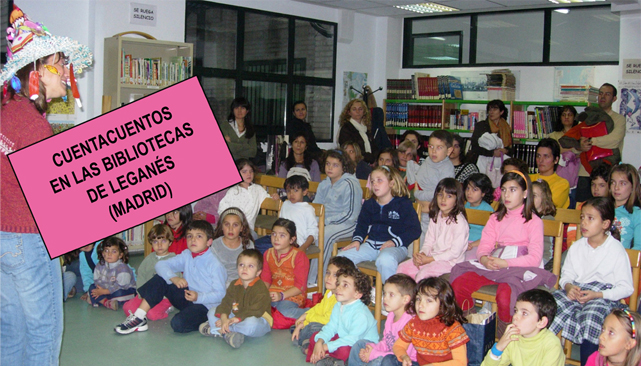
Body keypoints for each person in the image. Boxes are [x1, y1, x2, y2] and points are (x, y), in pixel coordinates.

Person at [1, 6, 92, 364]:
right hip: (27, 238)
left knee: (10, 327)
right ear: (39, 70)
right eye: (61, 68)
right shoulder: (33, 123)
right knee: (44, 330)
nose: (68, 79)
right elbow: (50, 193)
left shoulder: (7, 112)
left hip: (4, 235)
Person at [451, 171, 552, 337]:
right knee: (460, 283)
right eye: (504, 190)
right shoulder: (495, 218)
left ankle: (504, 336)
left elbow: (534, 258)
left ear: (525, 193)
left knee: (506, 294)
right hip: (496, 262)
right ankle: (472, 330)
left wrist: (506, 263)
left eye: (513, 190)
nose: (507, 194)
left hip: (519, 265)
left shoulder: (534, 221)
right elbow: (484, 246)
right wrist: (483, 258)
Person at [549, 197, 634, 365]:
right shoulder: (577, 246)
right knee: (549, 306)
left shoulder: (616, 249)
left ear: (605, 224)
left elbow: (626, 288)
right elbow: (566, 275)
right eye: (582, 217)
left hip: (603, 296)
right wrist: (568, 286)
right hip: (578, 291)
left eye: (590, 218)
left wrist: (598, 294)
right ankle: (544, 358)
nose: (584, 223)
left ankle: (590, 362)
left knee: (591, 316)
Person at [114, 220, 227, 335]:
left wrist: (199, 297)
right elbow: (160, 265)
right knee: (162, 277)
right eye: (189, 236)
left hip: (206, 305)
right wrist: (173, 278)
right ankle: (139, 317)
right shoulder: (187, 254)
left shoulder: (215, 264)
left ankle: (207, 322)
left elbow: (221, 294)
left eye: (199, 236)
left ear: (209, 241)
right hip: (188, 297)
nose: (193, 240)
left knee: (177, 324)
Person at [339, 166, 421, 282]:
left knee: (385, 260)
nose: (375, 184)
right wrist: (357, 240)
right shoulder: (369, 204)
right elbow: (361, 225)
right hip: (371, 245)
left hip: (396, 247)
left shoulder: (403, 204)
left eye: (379, 180)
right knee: (341, 258)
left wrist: (395, 241)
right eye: (372, 181)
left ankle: (389, 294)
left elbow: (415, 229)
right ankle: (361, 289)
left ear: (391, 183)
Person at [382, 277, 469, 366]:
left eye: (429, 300)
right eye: (419, 299)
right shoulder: (414, 323)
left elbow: (461, 363)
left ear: (443, 304)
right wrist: (404, 356)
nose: (421, 305)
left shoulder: (453, 329)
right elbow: (398, 346)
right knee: (388, 360)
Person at [397, 178, 469, 281]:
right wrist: (422, 255)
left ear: (457, 199)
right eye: (440, 195)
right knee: (402, 269)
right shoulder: (436, 216)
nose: (443, 199)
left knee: (422, 275)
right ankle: (404, 297)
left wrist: (430, 259)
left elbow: (454, 252)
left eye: (449, 196)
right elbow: (429, 242)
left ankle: (417, 297)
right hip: (432, 257)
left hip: (451, 263)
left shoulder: (459, 222)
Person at [199, 249, 272, 348]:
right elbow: (226, 303)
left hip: (259, 319)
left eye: (250, 266)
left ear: (258, 272)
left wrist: (231, 321)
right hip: (236, 317)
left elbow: (256, 310)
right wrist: (224, 318)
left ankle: (219, 330)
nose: (245, 269)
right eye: (241, 265)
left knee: (251, 324)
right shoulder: (234, 284)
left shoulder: (261, 288)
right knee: (212, 311)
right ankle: (227, 334)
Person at [307, 267, 379, 365]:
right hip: (343, 338)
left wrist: (326, 346)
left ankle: (326, 356)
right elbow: (331, 327)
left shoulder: (361, 314)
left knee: (345, 351)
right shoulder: (338, 305)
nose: (338, 288)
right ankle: (325, 356)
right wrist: (320, 341)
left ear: (357, 294)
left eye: (345, 285)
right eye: (338, 284)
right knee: (315, 336)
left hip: (359, 345)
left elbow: (352, 339)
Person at [481, 289, 565, 366]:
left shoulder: (552, 345)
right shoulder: (513, 337)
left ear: (541, 322)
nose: (515, 317)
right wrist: (499, 347)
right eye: (516, 311)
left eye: (524, 313)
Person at [348, 274, 417, 366]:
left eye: (391, 295)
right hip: (389, 354)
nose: (385, 298)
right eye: (385, 293)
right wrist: (372, 348)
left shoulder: (410, 322)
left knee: (380, 361)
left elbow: (402, 355)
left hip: (405, 361)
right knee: (360, 344)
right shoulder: (391, 315)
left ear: (405, 299)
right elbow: (386, 342)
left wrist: (374, 354)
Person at [292, 257, 356, 353]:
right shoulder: (329, 292)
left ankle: (308, 345)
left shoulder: (340, 299)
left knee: (311, 327)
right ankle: (305, 338)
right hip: (326, 325)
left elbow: (327, 320)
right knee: (299, 325)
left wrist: (305, 322)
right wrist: (305, 315)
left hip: (336, 331)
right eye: (328, 273)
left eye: (335, 275)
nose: (328, 277)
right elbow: (320, 307)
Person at [313, 149, 363, 275]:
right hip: (325, 221)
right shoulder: (324, 184)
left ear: (343, 168)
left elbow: (351, 215)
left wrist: (324, 222)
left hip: (348, 224)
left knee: (325, 235)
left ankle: (318, 281)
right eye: (328, 164)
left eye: (335, 165)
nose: (330, 168)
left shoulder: (350, 184)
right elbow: (316, 207)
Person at [575, 83, 627, 203]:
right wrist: (580, 145)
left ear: (614, 99)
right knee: (581, 211)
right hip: (585, 173)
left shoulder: (619, 119)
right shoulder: (587, 118)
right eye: (601, 93)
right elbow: (575, 143)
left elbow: (614, 140)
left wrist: (591, 141)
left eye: (607, 94)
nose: (603, 97)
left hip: (607, 174)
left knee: (605, 211)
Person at [123, 224, 178, 321]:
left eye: (163, 241)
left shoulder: (174, 259)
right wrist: (141, 293)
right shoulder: (149, 258)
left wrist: (166, 297)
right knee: (128, 309)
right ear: (151, 243)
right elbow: (141, 275)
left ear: (170, 242)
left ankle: (166, 309)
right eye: (155, 241)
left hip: (164, 298)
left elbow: (176, 281)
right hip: (146, 294)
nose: (159, 245)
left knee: (152, 315)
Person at [261, 218, 310, 319]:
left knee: (284, 313)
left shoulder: (299, 256)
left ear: (292, 239)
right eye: (274, 234)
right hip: (272, 294)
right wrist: (263, 294)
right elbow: (265, 280)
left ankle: (313, 312)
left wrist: (282, 296)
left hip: (292, 295)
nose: (276, 239)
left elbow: (301, 286)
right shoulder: (268, 254)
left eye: (282, 235)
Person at [413, 130, 455, 241]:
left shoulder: (447, 168)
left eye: (439, 147)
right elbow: (417, 183)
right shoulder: (426, 162)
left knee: (430, 243)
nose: (433, 151)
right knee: (415, 243)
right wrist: (419, 198)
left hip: (436, 215)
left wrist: (419, 194)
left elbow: (440, 194)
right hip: (420, 210)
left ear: (449, 150)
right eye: (431, 146)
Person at [218, 159, 274, 235]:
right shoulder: (233, 191)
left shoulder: (258, 189)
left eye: (251, 171)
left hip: (248, 229)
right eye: (244, 172)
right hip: (232, 228)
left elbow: (269, 199)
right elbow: (222, 210)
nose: (249, 174)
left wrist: (274, 197)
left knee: (253, 236)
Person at [87, 237, 136, 310]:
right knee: (92, 287)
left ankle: (99, 299)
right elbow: (97, 279)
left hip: (122, 289)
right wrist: (100, 289)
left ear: (120, 255)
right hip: (106, 290)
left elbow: (122, 286)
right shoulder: (100, 265)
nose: (109, 254)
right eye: (106, 251)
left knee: (119, 293)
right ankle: (106, 302)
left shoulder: (123, 268)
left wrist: (104, 291)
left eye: (114, 252)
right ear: (103, 253)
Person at [210, 208, 254, 287]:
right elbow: (212, 272)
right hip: (220, 284)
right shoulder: (214, 245)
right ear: (221, 227)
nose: (230, 229)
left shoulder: (248, 245)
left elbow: (252, 270)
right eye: (227, 224)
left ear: (241, 228)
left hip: (243, 284)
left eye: (235, 225)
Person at [467, 100, 512, 165]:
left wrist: (506, 150)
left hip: (500, 162)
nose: (491, 112)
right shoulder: (481, 126)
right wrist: (492, 153)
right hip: (483, 161)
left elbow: (511, 148)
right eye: (490, 109)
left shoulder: (506, 127)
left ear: (501, 112)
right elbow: (474, 147)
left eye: (495, 109)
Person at [529, 138, 570, 209]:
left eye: (546, 156)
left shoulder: (562, 184)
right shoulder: (528, 178)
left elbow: (549, 207)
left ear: (556, 160)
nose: (540, 160)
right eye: (538, 156)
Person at [463, 173, 495, 260]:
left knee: (468, 260)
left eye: (475, 189)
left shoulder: (488, 211)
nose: (469, 192)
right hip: (463, 243)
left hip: (478, 244)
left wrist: (472, 245)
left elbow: (491, 236)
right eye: (468, 188)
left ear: (483, 193)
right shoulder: (464, 207)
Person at [609, 164, 641, 250]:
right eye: (613, 182)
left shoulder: (637, 214)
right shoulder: (601, 208)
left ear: (632, 187)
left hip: (620, 259)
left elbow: (639, 247)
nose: (616, 188)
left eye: (622, 183)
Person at [338, 99, 379, 164]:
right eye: (354, 109)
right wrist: (370, 159)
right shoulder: (346, 128)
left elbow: (374, 147)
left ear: (364, 111)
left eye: (360, 109)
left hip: (369, 163)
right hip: (354, 163)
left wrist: (375, 160)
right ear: (349, 112)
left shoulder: (366, 128)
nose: (358, 112)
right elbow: (350, 150)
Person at [531, 180, 557, 268]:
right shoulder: (523, 216)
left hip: (543, 259)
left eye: (533, 196)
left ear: (544, 199)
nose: (529, 199)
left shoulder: (547, 219)